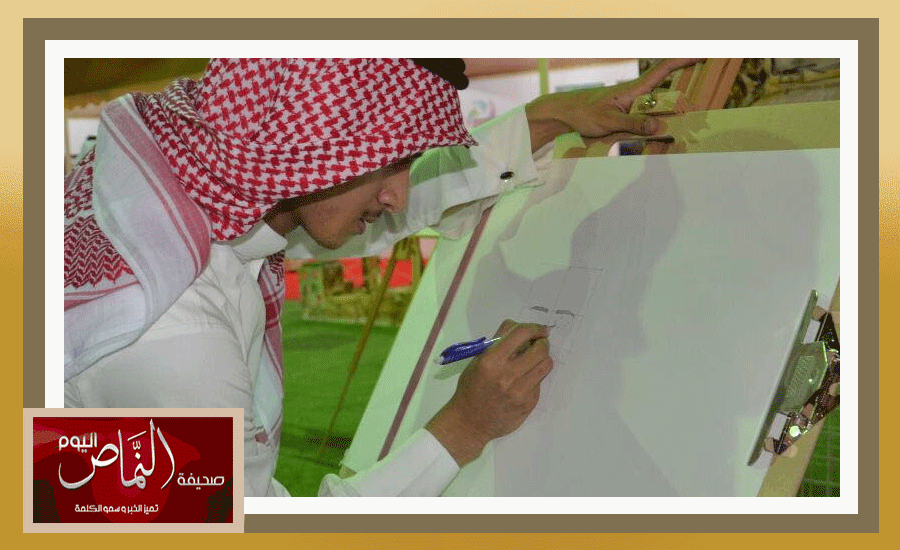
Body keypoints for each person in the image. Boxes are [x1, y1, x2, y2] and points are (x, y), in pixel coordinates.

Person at [64, 58, 698, 496]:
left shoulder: (181, 200)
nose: (398, 196)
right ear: (306, 146)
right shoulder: (174, 337)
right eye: (388, 164)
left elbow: (404, 201)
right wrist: (465, 426)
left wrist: (551, 118)